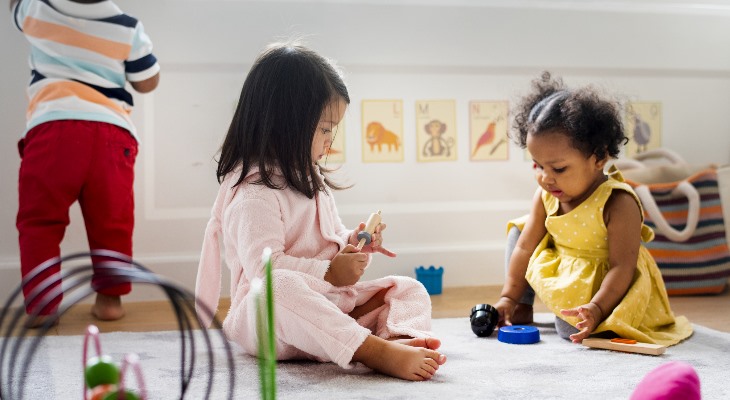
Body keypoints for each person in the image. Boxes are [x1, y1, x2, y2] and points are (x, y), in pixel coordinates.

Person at [195, 42, 446, 381]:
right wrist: (329, 273)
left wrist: (355, 244)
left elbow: (328, 243)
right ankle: (373, 350)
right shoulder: (253, 195)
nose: (330, 141)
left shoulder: (309, 181)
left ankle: (400, 336)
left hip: (327, 309)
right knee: (276, 287)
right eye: (325, 129)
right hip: (274, 323)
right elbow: (264, 272)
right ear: (287, 124)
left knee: (406, 288)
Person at [493, 72, 693, 345]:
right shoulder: (546, 194)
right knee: (518, 232)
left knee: (569, 330)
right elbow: (526, 248)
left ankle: (591, 313)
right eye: (538, 165)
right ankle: (520, 306)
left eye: (559, 168)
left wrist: (596, 308)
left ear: (599, 157)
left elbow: (622, 267)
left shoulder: (618, 202)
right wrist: (508, 296)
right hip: (565, 265)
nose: (545, 177)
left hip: (607, 281)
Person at [11, 0, 160, 327]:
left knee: (39, 223)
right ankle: (110, 300)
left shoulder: (36, 9)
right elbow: (148, 81)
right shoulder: (126, 26)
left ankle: (41, 304)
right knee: (113, 222)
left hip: (52, 129)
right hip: (111, 134)